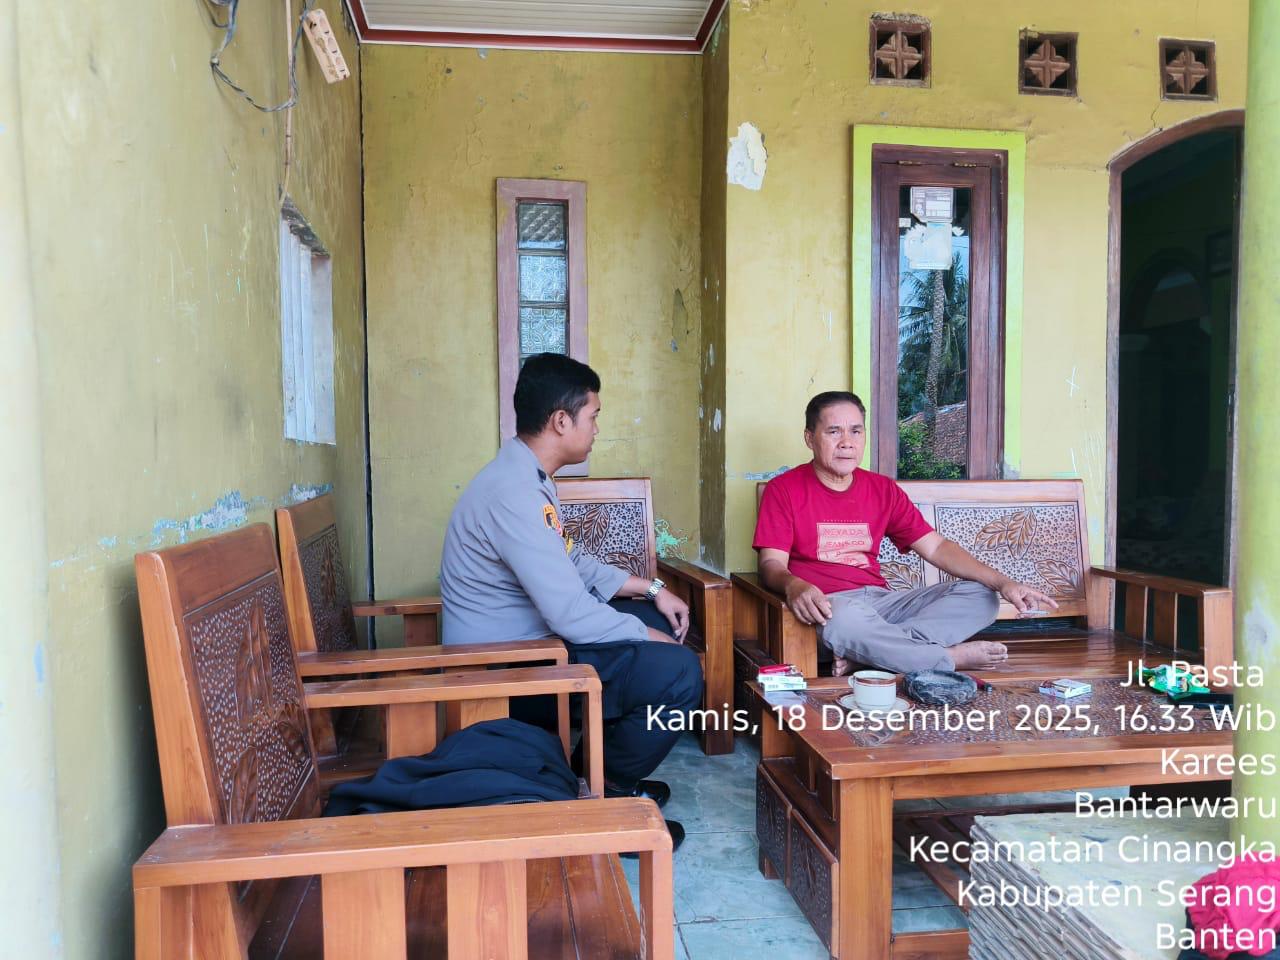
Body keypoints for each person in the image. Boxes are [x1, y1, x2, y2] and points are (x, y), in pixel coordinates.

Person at [440, 352, 702, 850]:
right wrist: (648, 636)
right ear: (562, 421)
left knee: (649, 620)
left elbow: (571, 560)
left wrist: (651, 589)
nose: (597, 429)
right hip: (503, 670)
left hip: (530, 644)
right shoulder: (514, 492)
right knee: (678, 671)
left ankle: (593, 775)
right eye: (593, 416)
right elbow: (568, 613)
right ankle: (605, 795)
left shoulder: (527, 477)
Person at [753, 391, 1058, 675]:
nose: (847, 442)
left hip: (882, 605)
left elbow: (936, 548)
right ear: (810, 438)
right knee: (843, 618)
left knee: (983, 596)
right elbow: (771, 565)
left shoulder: (882, 489)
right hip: (828, 608)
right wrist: (794, 585)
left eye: (856, 431)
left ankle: (873, 654)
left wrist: (1005, 583)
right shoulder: (784, 489)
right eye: (834, 432)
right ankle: (947, 659)